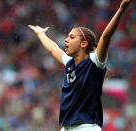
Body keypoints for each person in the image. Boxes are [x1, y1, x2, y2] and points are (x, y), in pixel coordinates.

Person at [28, 0, 132, 130]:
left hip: (86, 127)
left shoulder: (94, 62)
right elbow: (53, 48)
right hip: (67, 127)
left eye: (71, 37)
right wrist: (41, 34)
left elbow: (105, 37)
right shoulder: (69, 63)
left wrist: (121, 9)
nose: (66, 40)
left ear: (83, 44)